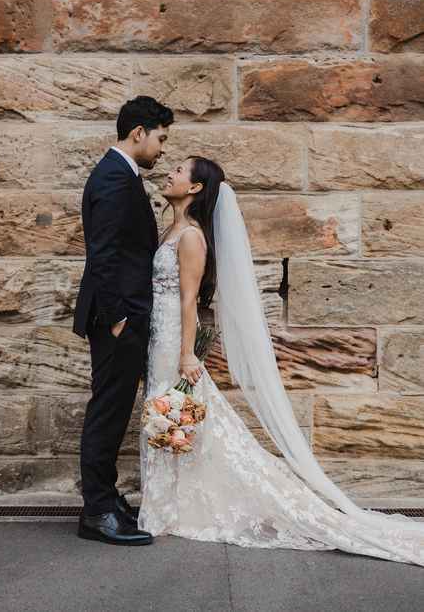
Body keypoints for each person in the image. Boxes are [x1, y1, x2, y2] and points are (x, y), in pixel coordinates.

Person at [138, 156, 424, 567]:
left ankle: (174, 507)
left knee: (180, 416)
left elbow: (189, 301)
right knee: (176, 418)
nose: (171, 173)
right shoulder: (173, 228)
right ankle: (168, 505)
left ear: (196, 188)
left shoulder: (192, 238)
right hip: (159, 339)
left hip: (172, 342)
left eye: (180, 171)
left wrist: (186, 354)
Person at [73, 95, 174, 546]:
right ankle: (97, 512)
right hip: (118, 318)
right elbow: (105, 255)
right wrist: (117, 320)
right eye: (161, 138)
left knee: (113, 411)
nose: (163, 149)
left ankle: (107, 499)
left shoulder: (121, 174)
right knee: (107, 412)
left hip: (124, 316)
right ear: (139, 133)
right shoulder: (115, 178)